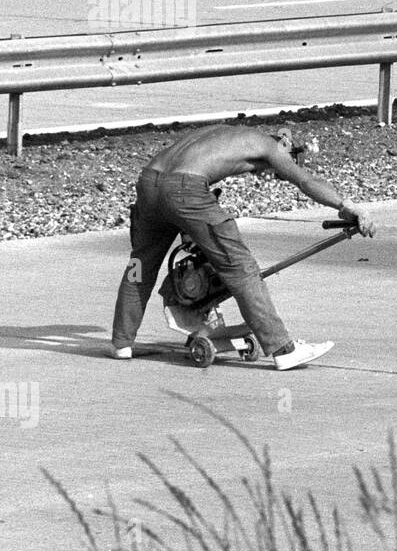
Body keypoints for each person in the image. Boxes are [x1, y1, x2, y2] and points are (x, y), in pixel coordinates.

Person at [111, 125, 375, 370]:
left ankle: (122, 342)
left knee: (140, 265)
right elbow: (306, 182)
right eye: (275, 170)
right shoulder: (268, 145)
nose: (268, 175)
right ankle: (284, 349)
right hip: (184, 188)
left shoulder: (224, 133)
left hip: (149, 182)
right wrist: (345, 205)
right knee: (240, 267)